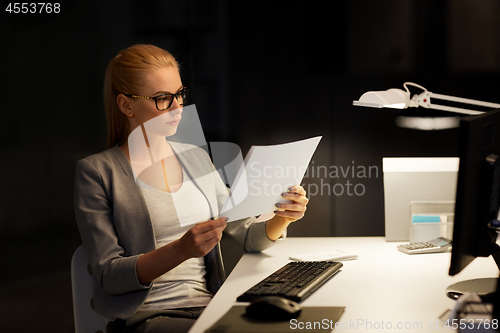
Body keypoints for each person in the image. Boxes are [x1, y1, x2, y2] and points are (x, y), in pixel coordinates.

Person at [74, 44, 309, 333]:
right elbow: (109, 275)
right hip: (148, 317)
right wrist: (182, 249)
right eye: (162, 98)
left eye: (180, 94)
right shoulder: (97, 172)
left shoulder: (195, 158)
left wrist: (282, 218)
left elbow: (248, 236)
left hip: (209, 306)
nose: (177, 108)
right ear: (126, 105)